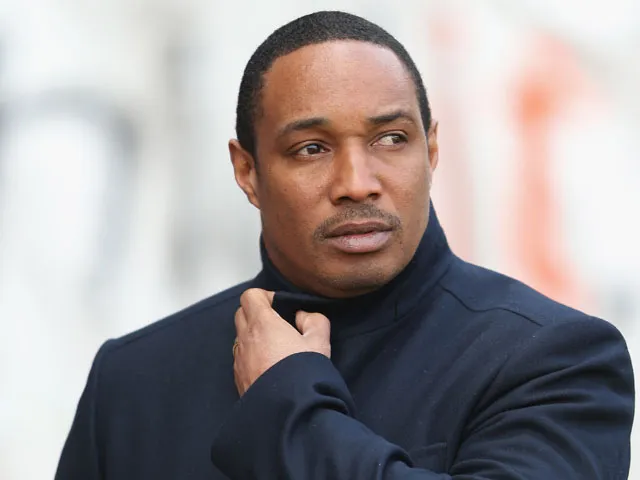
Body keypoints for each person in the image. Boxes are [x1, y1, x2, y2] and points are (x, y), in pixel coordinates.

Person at [55, 11, 634, 479]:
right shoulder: (135, 380)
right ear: (248, 171)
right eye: (311, 148)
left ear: (431, 150)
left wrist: (287, 406)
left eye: (391, 138)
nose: (357, 182)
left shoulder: (553, 360)